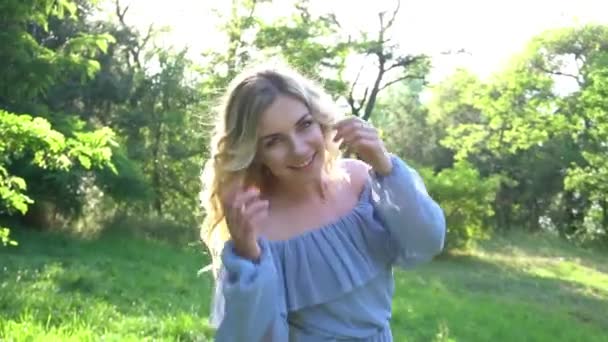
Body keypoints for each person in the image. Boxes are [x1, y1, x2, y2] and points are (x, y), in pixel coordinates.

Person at [199, 62, 446, 342]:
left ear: (320, 120)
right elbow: (250, 336)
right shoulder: (258, 225)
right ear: (255, 154)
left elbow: (427, 241)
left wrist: (385, 165)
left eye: (304, 125)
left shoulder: (362, 182)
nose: (299, 148)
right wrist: (248, 257)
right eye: (274, 141)